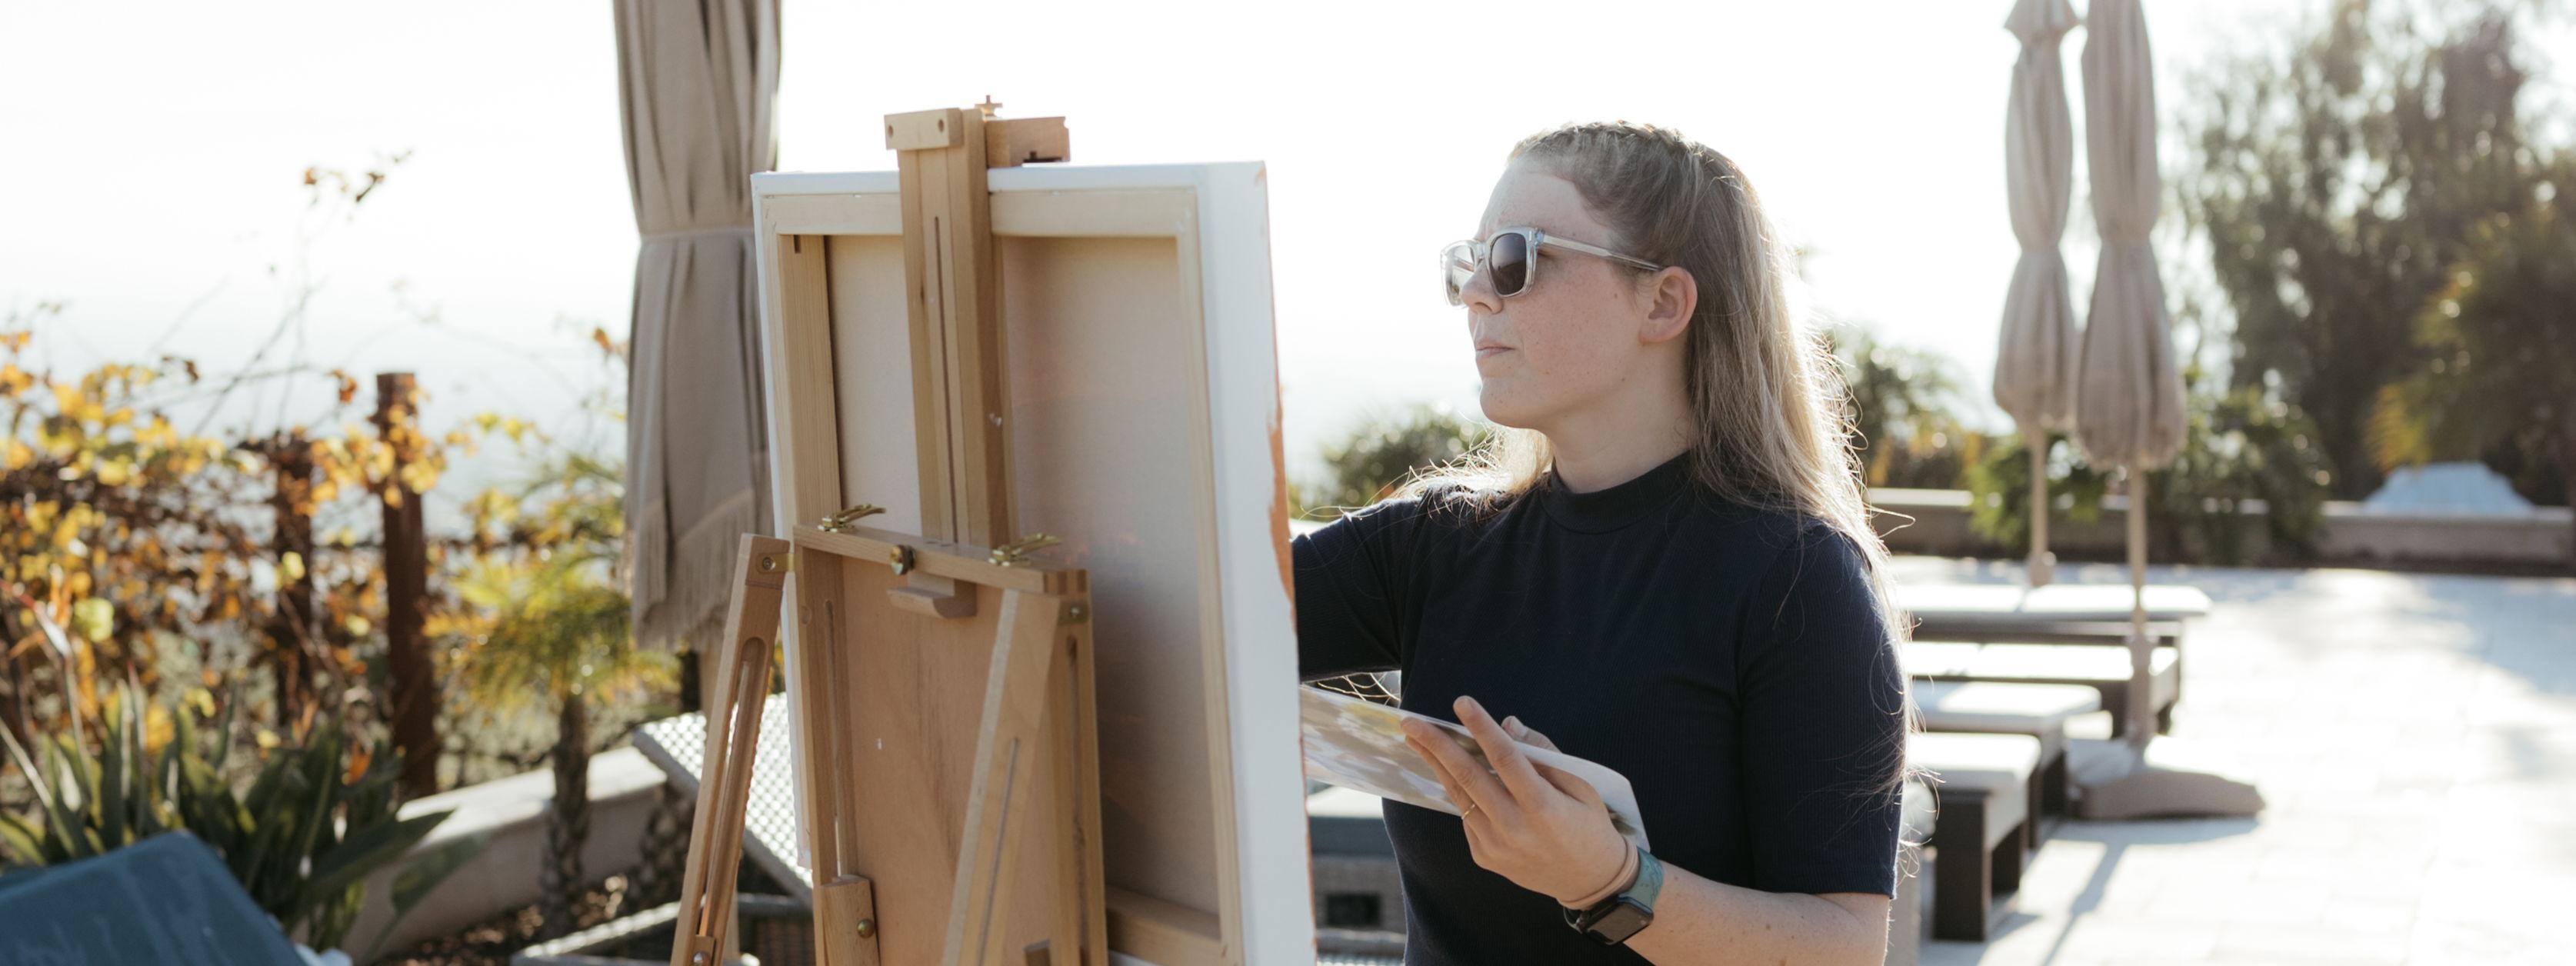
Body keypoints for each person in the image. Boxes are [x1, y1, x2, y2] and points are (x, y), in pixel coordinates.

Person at [1293, 120, 1918, 965]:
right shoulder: (1430, 548)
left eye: (1514, 257)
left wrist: (1610, 880)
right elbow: (1179, 616)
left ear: (1661, 303)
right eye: (1468, 261)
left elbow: (1843, 947)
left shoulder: (1794, 579)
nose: (1475, 292)